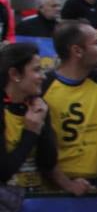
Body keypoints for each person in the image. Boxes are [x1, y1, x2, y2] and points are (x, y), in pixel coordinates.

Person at [41, 20, 97, 199]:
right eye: (96, 43)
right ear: (77, 51)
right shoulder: (44, 85)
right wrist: (65, 182)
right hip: (55, 186)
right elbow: (43, 143)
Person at [1, 42, 57, 191]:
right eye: (37, 70)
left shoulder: (38, 106)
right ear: (15, 74)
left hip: (36, 202)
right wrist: (31, 132)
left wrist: (42, 126)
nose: (43, 77)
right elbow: (3, 172)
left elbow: (48, 163)